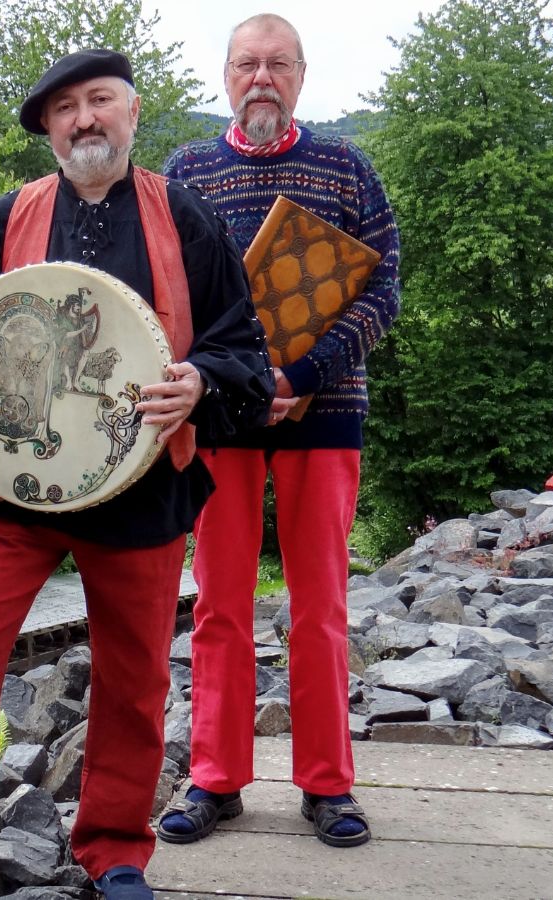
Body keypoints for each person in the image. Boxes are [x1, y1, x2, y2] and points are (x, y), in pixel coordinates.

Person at [0, 49, 274, 900]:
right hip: (17, 491)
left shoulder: (187, 218)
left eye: (100, 101)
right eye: (65, 109)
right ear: (50, 133)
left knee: (135, 677)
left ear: (133, 113)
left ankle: (114, 851)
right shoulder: (5, 222)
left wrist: (202, 380)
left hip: (142, 489)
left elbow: (243, 350)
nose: (84, 120)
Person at [159, 13, 400, 849]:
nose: (261, 77)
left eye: (277, 64)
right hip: (220, 418)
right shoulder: (183, 172)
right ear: (225, 76)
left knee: (321, 609)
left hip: (325, 414)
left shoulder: (347, 166)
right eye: (246, 64)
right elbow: (167, 295)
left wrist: (304, 377)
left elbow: (383, 289)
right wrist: (227, 381)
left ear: (301, 74)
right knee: (220, 605)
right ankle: (215, 779)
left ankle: (328, 784)